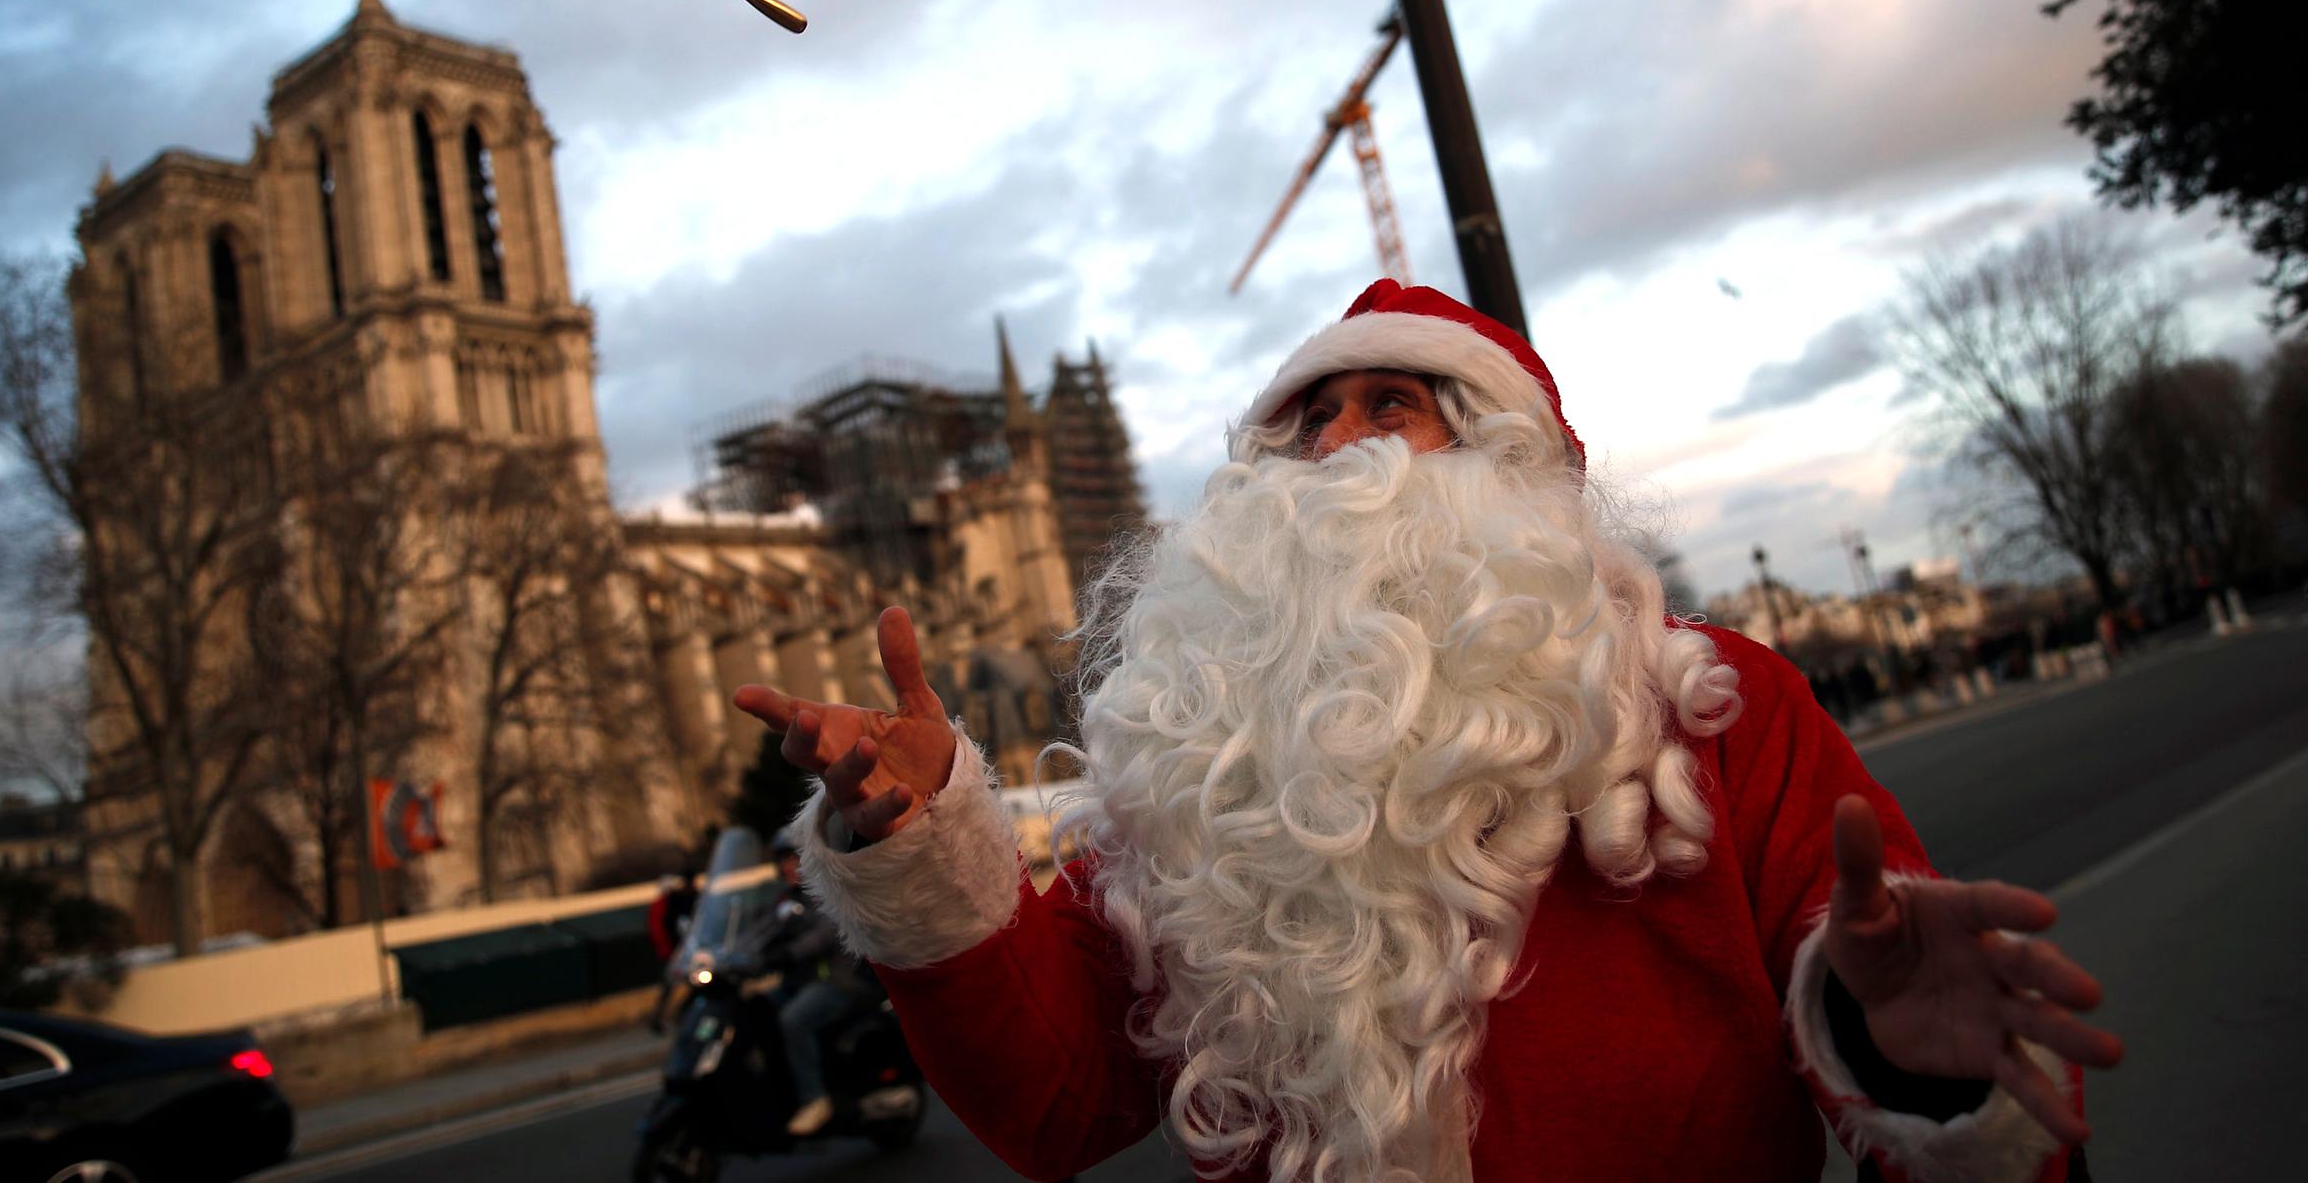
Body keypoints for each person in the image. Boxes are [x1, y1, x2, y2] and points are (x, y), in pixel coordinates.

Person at [734, 281, 2123, 1183]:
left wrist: (1915, 1070)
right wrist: (917, 842)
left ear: (1511, 471)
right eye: (1304, 422)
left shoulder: (1721, 708)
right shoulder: (1200, 779)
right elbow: (1056, 1100)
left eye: (1389, 406)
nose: (1334, 449)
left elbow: (1944, 1089)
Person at [750, 829, 871, 1137]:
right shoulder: (785, 900)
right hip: (802, 982)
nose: (787, 867)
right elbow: (759, 932)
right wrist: (730, 955)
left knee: (793, 1020)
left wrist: (788, 953)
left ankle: (814, 1098)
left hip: (837, 981)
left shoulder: (829, 891)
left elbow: (824, 935)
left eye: (793, 859)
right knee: (755, 1011)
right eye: (782, 861)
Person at [643, 870, 701, 1035]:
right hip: (669, 953)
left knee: (683, 986)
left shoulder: (673, 902)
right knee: (670, 987)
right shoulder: (664, 904)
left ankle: (676, 1016)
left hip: (674, 952)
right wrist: (669, 950)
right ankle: (661, 1018)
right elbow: (660, 930)